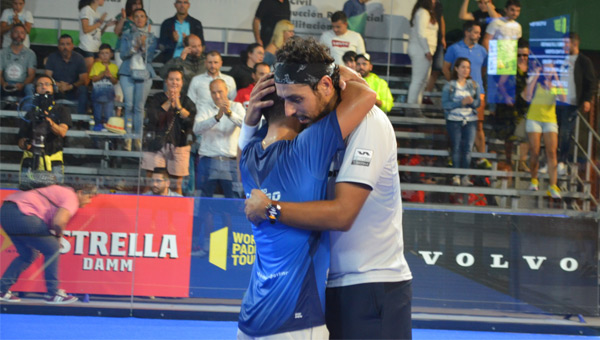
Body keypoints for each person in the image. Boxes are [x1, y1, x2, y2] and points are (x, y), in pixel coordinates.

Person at [243, 36, 413, 340]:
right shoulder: (311, 126)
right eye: (285, 101)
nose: (291, 111)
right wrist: (249, 123)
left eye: (296, 99)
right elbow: (259, 168)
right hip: (325, 288)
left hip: (371, 283)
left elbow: (343, 214)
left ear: (325, 85)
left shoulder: (369, 122)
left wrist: (270, 209)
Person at [0, 183, 96, 304]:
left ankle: (1, 290)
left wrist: (54, 237)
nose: (90, 201)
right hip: (24, 214)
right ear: (81, 192)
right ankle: (53, 293)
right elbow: (59, 222)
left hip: (6, 212)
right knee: (53, 249)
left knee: (28, 255)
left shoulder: (59, 190)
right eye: (89, 197)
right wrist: (57, 238)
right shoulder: (72, 197)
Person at [142, 68, 196, 195]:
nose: (174, 82)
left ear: (182, 83)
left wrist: (178, 105)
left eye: (177, 79)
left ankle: (176, 213)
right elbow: (153, 118)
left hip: (179, 145)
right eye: (171, 79)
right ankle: (145, 211)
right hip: (156, 144)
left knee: (177, 183)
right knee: (151, 181)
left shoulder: (187, 101)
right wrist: (169, 101)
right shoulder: (157, 98)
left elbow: (191, 121)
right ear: (166, 81)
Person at [443, 21, 488, 164]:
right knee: (454, 124)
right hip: (457, 92)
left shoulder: (482, 50)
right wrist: (455, 85)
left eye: (480, 33)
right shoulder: (454, 48)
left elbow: (484, 71)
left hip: (477, 92)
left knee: (478, 125)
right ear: (467, 32)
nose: (478, 35)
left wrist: (476, 87)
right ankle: (453, 156)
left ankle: (481, 157)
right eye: (475, 32)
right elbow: (446, 68)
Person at [193, 79, 244, 198]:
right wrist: (216, 117)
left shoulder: (237, 106)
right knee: (203, 199)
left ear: (227, 91)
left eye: (220, 92)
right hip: (208, 159)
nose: (217, 95)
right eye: (213, 92)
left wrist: (229, 113)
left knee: (234, 200)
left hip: (231, 160)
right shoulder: (205, 108)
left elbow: (245, 125)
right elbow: (196, 129)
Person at [523, 59, 566, 199]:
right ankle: (533, 180)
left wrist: (556, 78)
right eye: (546, 68)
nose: (548, 70)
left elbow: (563, 98)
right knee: (535, 151)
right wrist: (536, 75)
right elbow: (527, 96)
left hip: (550, 120)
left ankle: (553, 186)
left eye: (551, 68)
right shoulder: (535, 81)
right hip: (534, 118)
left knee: (552, 152)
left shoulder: (555, 84)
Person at [556, 32, 597, 175]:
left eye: (566, 43)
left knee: (566, 132)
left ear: (575, 43)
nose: (563, 46)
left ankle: (561, 160)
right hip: (556, 101)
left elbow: (591, 82)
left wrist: (587, 99)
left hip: (572, 102)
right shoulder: (559, 59)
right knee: (554, 131)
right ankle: (552, 159)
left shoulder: (584, 61)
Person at [118, 8, 157, 150]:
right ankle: (128, 138)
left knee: (139, 107)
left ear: (146, 19)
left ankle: (138, 138)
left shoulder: (151, 36)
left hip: (145, 74)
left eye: (142, 16)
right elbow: (122, 55)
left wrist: (144, 45)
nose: (139, 19)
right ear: (133, 19)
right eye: (137, 16)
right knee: (128, 106)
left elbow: (150, 58)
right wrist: (135, 47)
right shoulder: (126, 34)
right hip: (127, 72)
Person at [488, 38, 530, 170]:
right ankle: (508, 159)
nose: (522, 58)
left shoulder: (532, 67)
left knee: (528, 132)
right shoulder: (510, 65)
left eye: (525, 55)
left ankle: (522, 160)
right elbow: (500, 84)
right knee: (509, 134)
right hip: (510, 103)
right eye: (519, 55)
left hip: (525, 103)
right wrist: (506, 97)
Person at [442, 58, 481, 186]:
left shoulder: (474, 85)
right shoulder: (449, 86)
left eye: (468, 67)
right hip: (454, 120)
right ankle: (456, 175)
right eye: (463, 67)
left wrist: (471, 102)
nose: (466, 70)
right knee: (456, 147)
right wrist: (460, 102)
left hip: (470, 120)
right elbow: (445, 104)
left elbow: (477, 103)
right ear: (457, 69)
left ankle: (465, 176)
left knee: (468, 148)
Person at [44, 34, 88, 115]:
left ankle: (81, 120)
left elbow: (83, 79)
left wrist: (70, 86)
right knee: (44, 87)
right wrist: (57, 85)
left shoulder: (79, 58)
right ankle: (46, 117)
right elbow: (47, 77)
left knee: (83, 89)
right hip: (56, 90)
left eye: (68, 44)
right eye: (62, 44)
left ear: (72, 46)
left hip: (73, 90)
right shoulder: (52, 57)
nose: (65, 47)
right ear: (58, 46)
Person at [407, 0, 438, 104]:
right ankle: (411, 107)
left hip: (427, 51)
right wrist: (426, 51)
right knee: (418, 80)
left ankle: (417, 106)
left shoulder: (427, 13)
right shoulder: (422, 13)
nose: (434, 1)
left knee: (423, 81)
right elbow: (421, 33)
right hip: (421, 50)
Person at [0, 23, 35, 99]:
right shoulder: (2, 53)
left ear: (25, 36)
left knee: (30, 87)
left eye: (22, 33)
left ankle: (28, 110)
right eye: (16, 32)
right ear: (10, 35)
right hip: (5, 84)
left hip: (22, 85)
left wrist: (23, 84)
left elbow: (31, 75)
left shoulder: (30, 54)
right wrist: (3, 83)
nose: (19, 35)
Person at [78, 0, 114, 72]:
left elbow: (98, 33)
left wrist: (106, 25)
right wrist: (99, 23)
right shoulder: (86, 10)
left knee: (96, 73)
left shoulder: (97, 13)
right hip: (87, 47)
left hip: (96, 48)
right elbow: (85, 29)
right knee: (88, 73)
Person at [89, 43, 118, 130]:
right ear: (99, 55)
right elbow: (93, 79)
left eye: (107, 53)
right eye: (102, 53)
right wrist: (102, 74)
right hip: (97, 96)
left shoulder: (114, 67)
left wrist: (110, 76)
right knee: (97, 116)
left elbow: (115, 81)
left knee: (108, 116)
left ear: (111, 55)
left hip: (109, 97)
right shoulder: (96, 65)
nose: (105, 56)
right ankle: (97, 135)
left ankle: (108, 136)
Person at [113, 0, 150, 66]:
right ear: (130, 5)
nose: (137, 6)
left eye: (139, 4)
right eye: (134, 4)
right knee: (122, 71)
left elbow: (147, 34)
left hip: (138, 52)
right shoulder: (123, 16)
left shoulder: (145, 18)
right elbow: (116, 31)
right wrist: (123, 19)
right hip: (122, 50)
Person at [423, 0, 446, 104]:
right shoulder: (423, 6)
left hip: (438, 41)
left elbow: (441, 19)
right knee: (425, 70)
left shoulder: (438, 5)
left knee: (437, 68)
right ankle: (422, 94)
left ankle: (427, 94)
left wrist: (443, 37)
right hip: (428, 42)